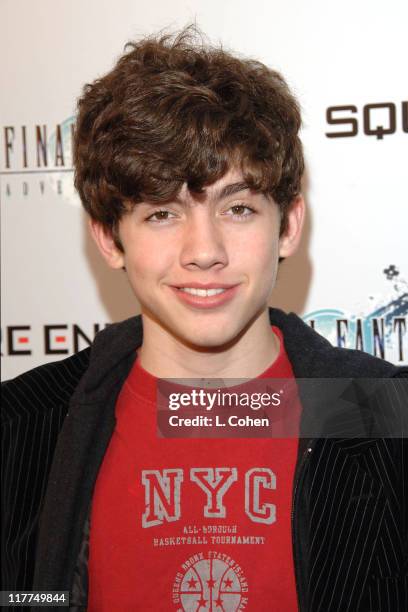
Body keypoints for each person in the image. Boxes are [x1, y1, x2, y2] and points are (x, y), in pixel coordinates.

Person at [2, 27, 407, 612]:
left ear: (288, 225)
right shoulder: (23, 429)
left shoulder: (381, 415)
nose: (204, 250)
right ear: (110, 239)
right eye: (162, 213)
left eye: (238, 208)